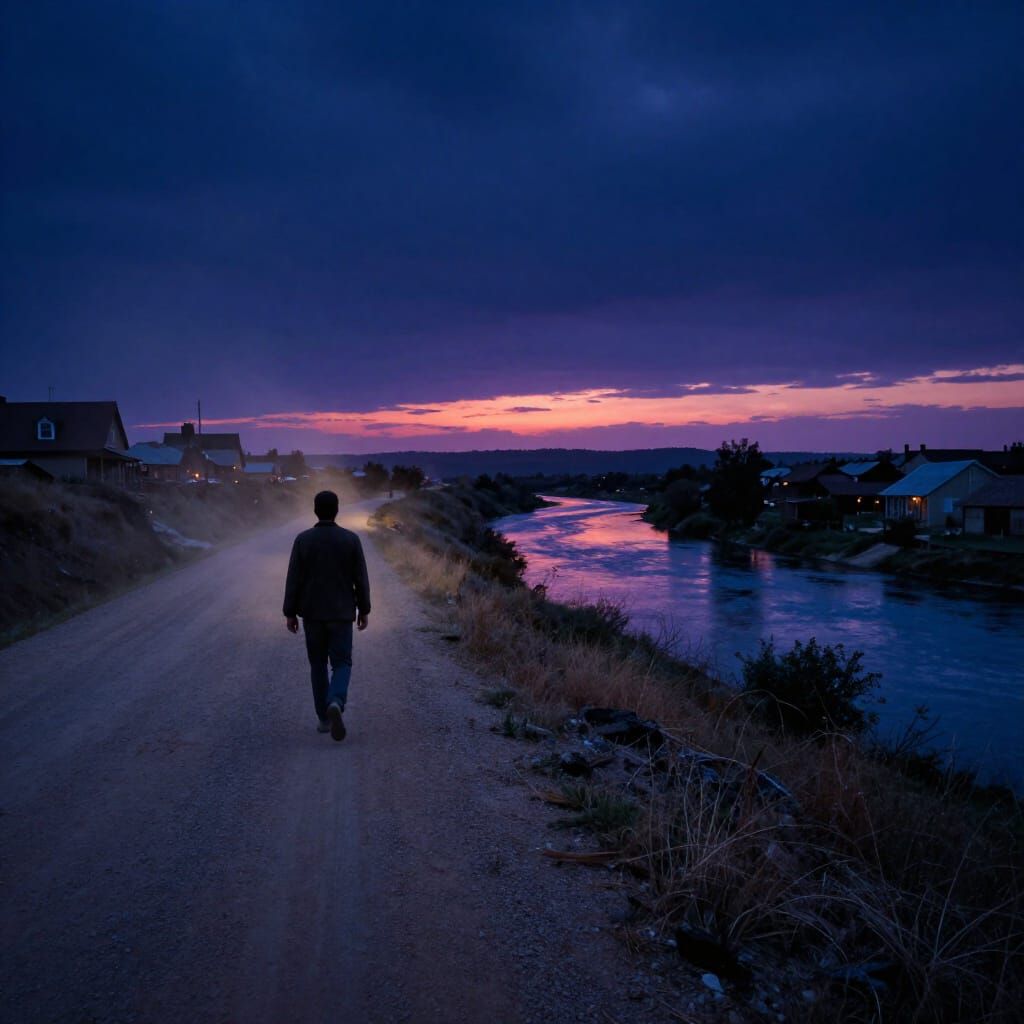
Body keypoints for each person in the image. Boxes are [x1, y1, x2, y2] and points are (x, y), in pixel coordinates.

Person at [283, 490, 371, 740]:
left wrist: (290, 613)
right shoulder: (350, 540)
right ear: (337, 510)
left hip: (312, 614)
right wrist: (364, 609)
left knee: (318, 664)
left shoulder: (303, 540)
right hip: (341, 614)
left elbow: (294, 579)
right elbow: (361, 579)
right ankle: (336, 700)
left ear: (315, 510)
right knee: (342, 662)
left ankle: (323, 718)